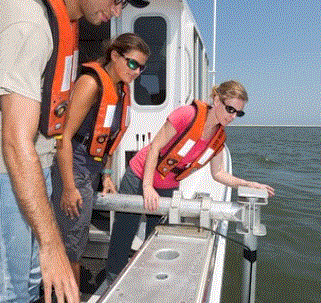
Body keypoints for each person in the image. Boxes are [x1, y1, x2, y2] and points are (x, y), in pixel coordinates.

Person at [0, 0, 149, 302]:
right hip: (0, 170)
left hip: (31, 168)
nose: (118, 9)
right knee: (11, 293)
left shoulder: (60, 21)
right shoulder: (27, 19)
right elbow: (15, 141)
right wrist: (52, 244)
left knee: (29, 286)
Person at [104, 80, 275, 281]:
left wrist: (247, 184)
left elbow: (218, 173)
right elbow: (155, 147)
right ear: (216, 99)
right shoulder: (186, 115)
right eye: (230, 109)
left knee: (155, 237)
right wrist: (147, 186)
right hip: (140, 175)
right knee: (124, 231)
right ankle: (112, 278)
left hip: (167, 185)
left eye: (239, 113)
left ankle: (144, 277)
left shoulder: (219, 139)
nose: (233, 116)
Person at [52, 33, 149, 284]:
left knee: (77, 236)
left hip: (91, 170)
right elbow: (63, 136)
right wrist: (69, 186)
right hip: (73, 169)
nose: (137, 71)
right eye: (132, 63)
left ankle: (69, 284)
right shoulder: (91, 83)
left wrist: (106, 175)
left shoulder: (119, 90)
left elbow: (107, 140)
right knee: (70, 241)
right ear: (115, 55)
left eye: (141, 67)